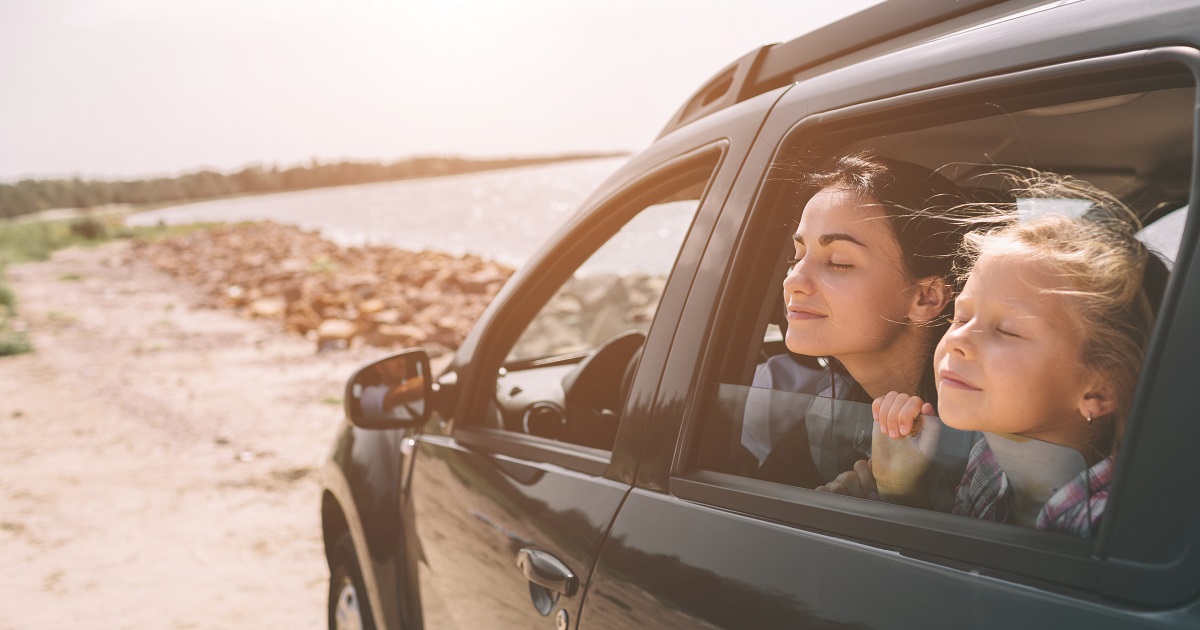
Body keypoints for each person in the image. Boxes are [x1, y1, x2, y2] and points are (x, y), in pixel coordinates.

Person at [821, 179, 1166, 536]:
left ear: (1101, 389)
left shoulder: (1120, 530)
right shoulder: (989, 464)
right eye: (961, 316)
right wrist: (899, 490)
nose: (957, 340)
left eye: (1008, 331)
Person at [741, 151, 975, 486]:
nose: (792, 280)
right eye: (798, 255)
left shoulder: (985, 447)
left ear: (927, 297)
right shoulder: (828, 415)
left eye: (837, 261)